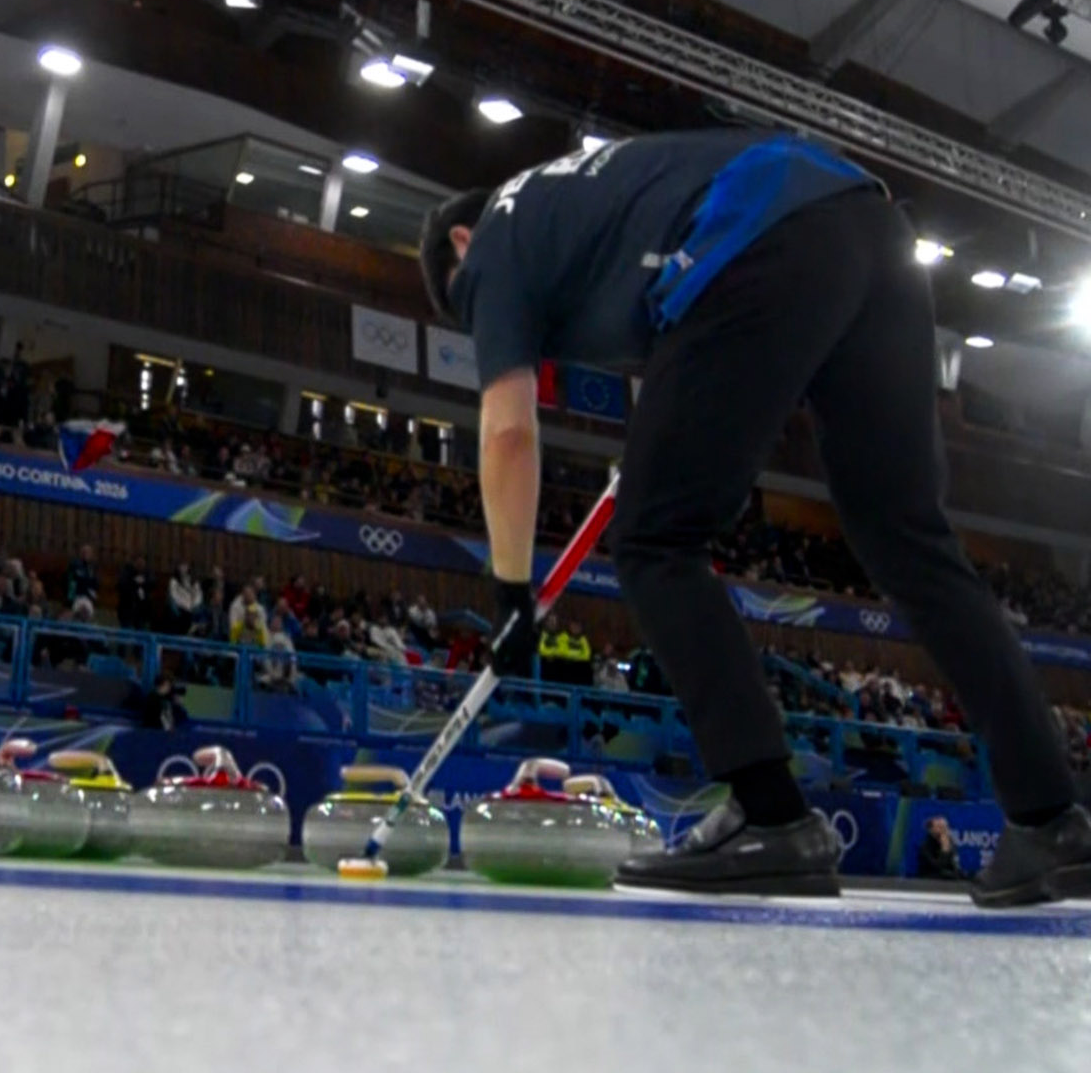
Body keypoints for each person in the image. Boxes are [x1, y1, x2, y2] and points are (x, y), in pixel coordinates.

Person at [422, 127, 1090, 904]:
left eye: (460, 298)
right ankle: (1051, 819)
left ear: (460, 241)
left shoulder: (498, 236)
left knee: (653, 540)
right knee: (906, 535)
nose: (475, 315)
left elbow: (507, 431)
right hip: (867, 227)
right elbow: (685, 348)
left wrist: (510, 593)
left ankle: (771, 818)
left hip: (765, 235)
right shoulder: (588, 211)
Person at [918, 817, 965, 881]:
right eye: (940, 827)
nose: (944, 830)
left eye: (945, 827)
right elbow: (938, 867)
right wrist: (944, 850)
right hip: (930, 879)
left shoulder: (950, 843)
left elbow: (953, 865)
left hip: (948, 877)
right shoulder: (925, 847)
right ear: (931, 830)